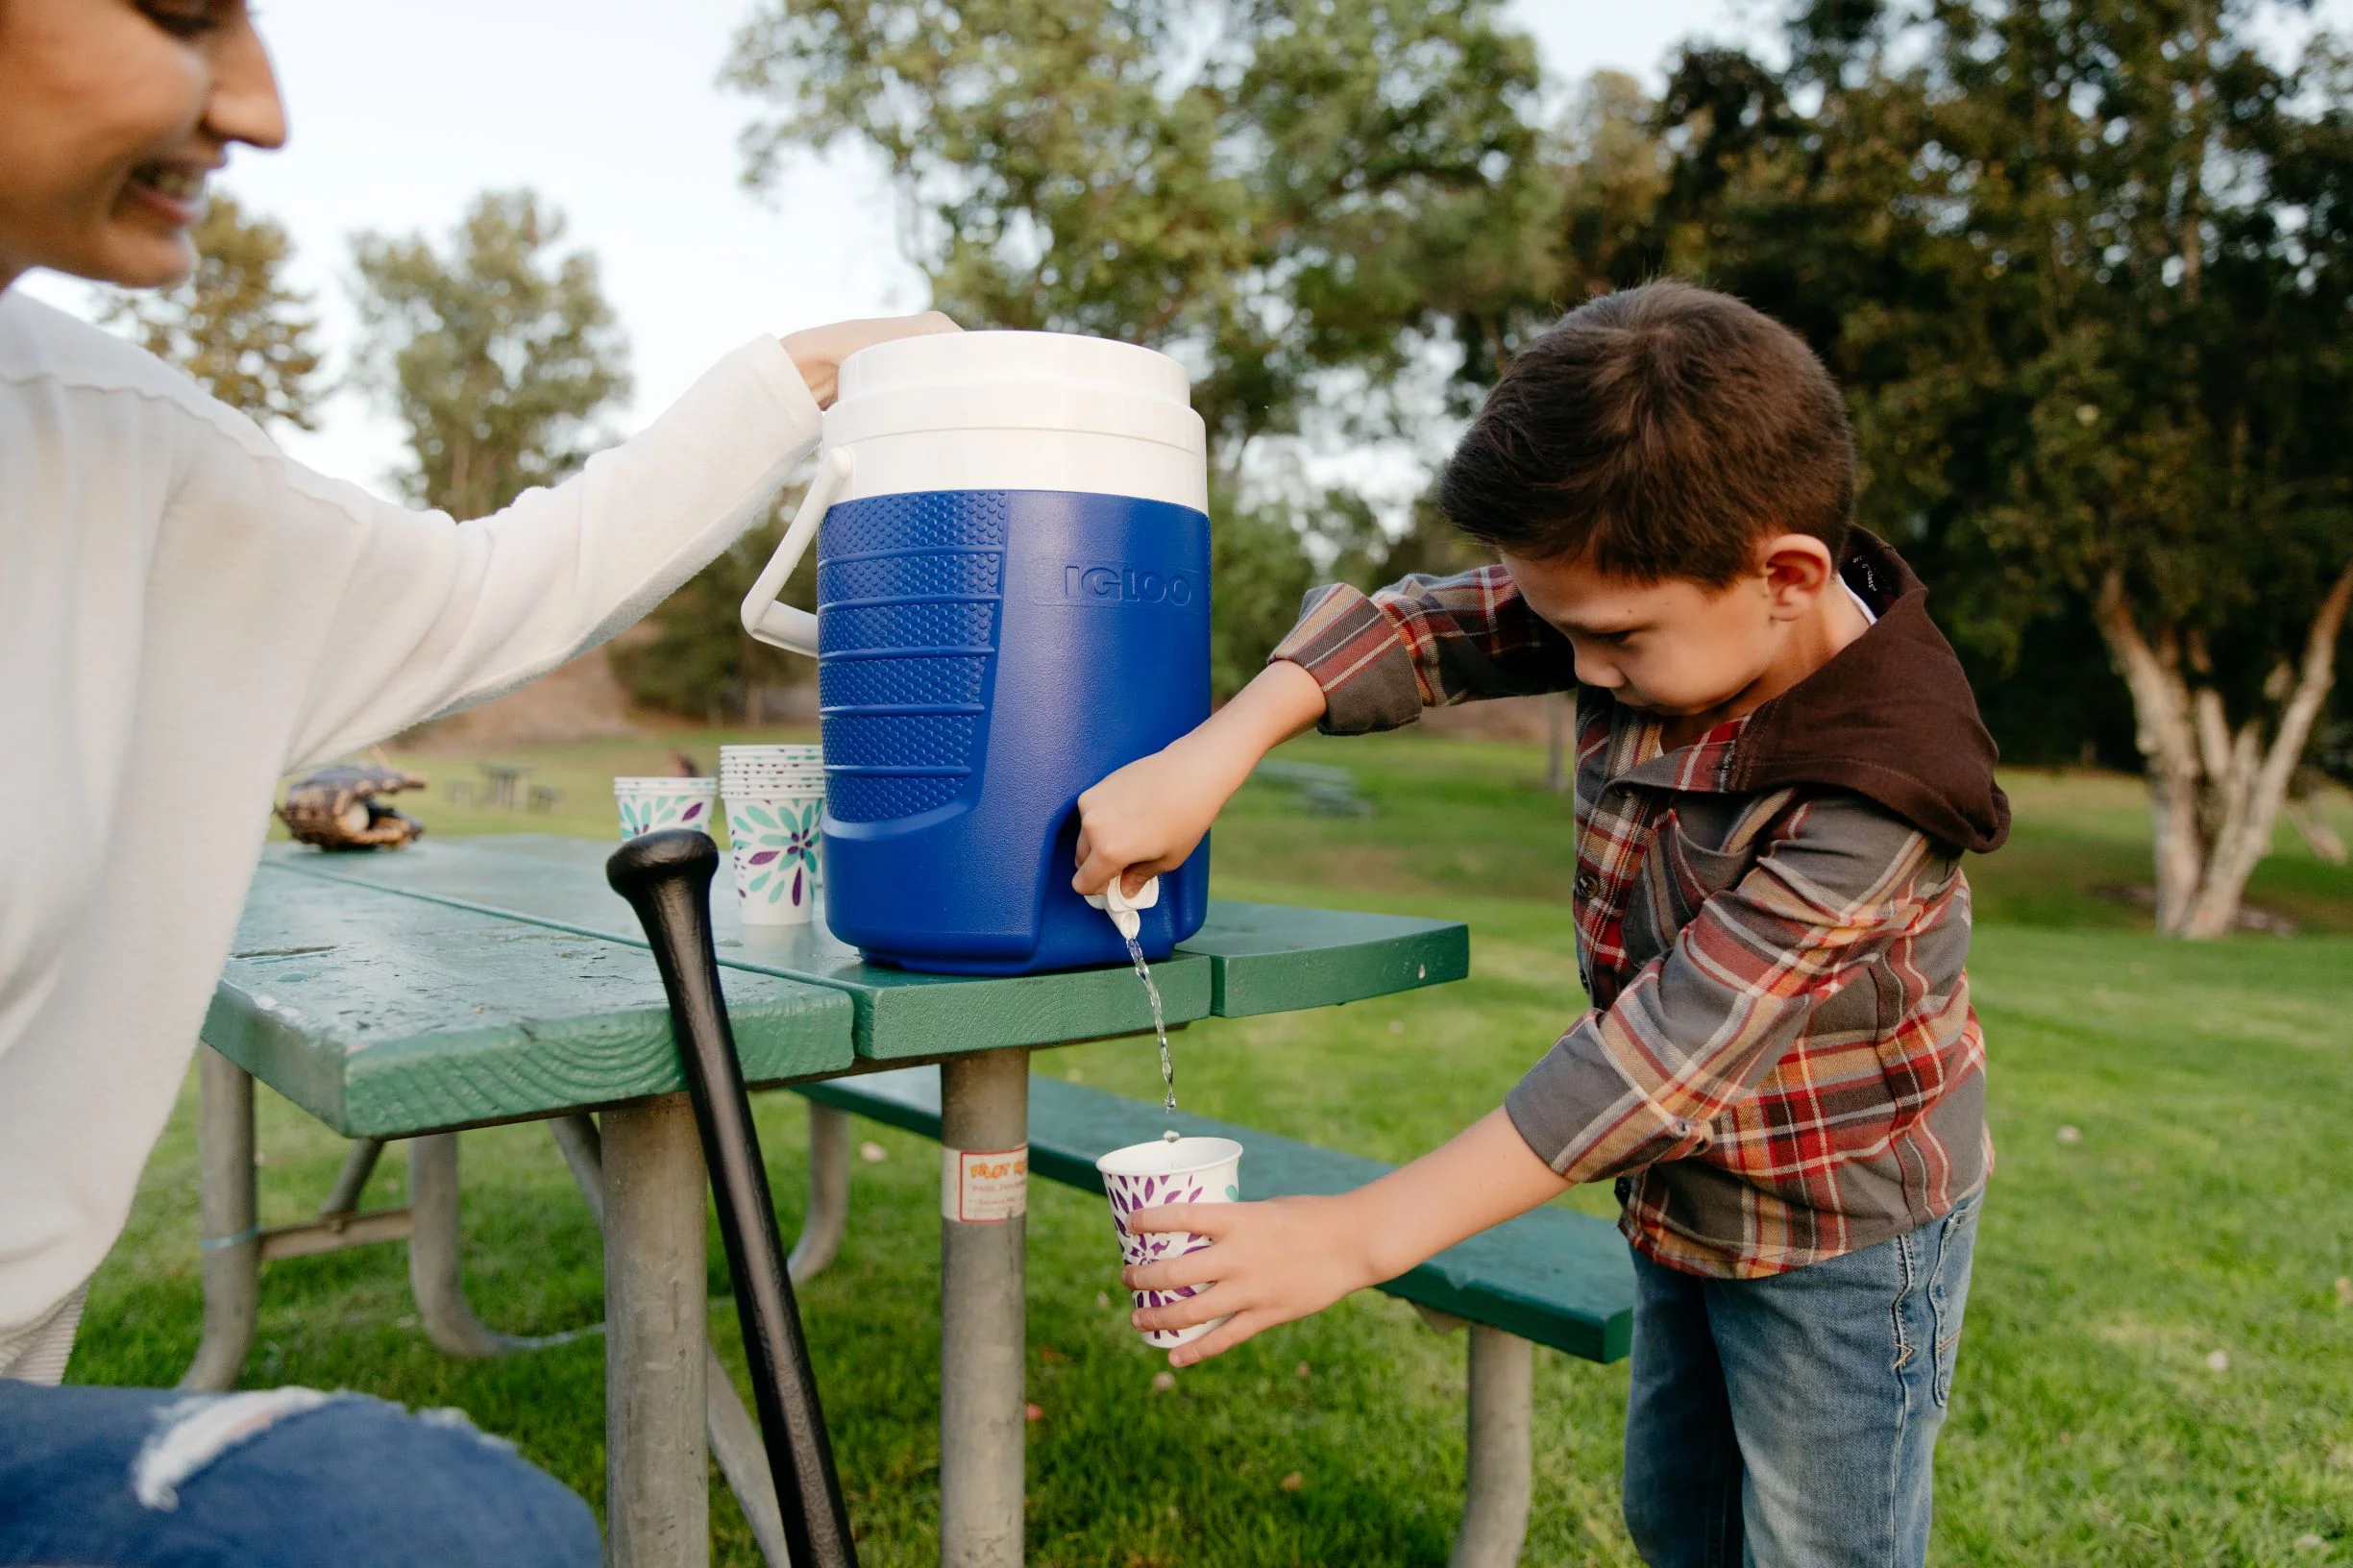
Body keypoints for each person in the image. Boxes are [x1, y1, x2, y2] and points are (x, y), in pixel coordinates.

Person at [0, 0, 950, 1560]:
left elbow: (497, 587)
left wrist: (794, 378)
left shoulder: (121, 456)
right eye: (180, 14)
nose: (258, 105)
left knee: (435, 1526)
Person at [1071, 281, 2009, 1567]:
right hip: (1680, 1197)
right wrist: (1219, 749)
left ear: (1786, 574)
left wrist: (1352, 1236)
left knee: (1818, 1546)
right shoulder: (1654, 572)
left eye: (1611, 641)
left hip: (1838, 1229)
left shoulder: (1879, 786)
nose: (1581, 667)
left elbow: (1651, 1063)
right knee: (1679, 1520)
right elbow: (1421, 625)